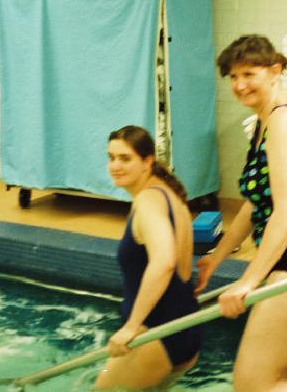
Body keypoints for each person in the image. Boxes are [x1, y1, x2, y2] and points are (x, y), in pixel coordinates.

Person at [195, 35, 287, 391]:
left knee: (251, 384)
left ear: (275, 71)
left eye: (249, 73)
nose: (239, 84)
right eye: (232, 76)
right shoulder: (265, 122)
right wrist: (215, 259)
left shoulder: (282, 122)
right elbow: (256, 203)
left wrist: (248, 280)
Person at [95, 125, 201, 390]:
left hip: (155, 333)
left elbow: (164, 262)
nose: (115, 165)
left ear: (147, 161)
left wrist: (132, 326)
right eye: (111, 157)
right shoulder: (170, 194)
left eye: (125, 158)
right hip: (183, 328)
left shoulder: (148, 201)